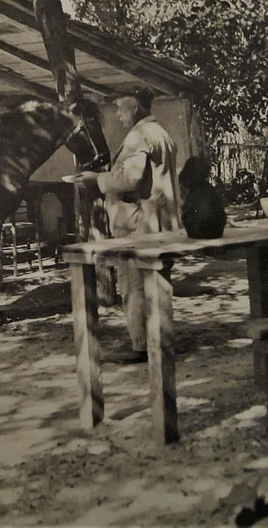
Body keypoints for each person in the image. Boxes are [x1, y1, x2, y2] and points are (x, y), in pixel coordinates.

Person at [76, 88, 180, 363]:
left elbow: (130, 179)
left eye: (121, 109)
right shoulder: (161, 133)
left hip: (138, 223)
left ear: (134, 108)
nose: (119, 116)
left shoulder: (139, 136)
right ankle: (161, 340)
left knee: (133, 286)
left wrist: (96, 180)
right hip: (160, 221)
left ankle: (140, 346)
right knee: (157, 285)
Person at [179, 156, 226, 239]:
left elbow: (186, 215)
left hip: (198, 232)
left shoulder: (194, 193)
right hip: (216, 232)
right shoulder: (210, 190)